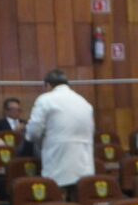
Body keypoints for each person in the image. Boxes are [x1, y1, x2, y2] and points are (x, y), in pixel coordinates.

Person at [25, 69, 95, 197]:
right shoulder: (84, 102)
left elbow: (33, 132)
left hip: (58, 161)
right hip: (84, 165)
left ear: (47, 85)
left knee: (58, 204)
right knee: (80, 203)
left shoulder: (45, 99)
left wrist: (35, 140)